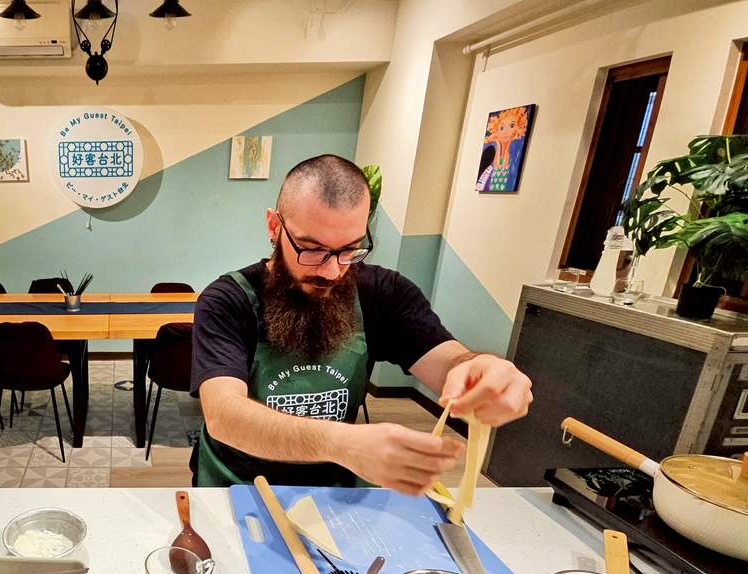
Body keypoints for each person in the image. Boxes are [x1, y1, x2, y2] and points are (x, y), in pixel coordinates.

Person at [191, 154, 532, 492]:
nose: (331, 271)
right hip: (236, 486)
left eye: (349, 250)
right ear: (274, 227)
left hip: (336, 490)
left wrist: (479, 370)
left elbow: (449, 363)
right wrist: (342, 443)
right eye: (312, 249)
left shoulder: (384, 294)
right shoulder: (228, 300)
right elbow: (224, 415)